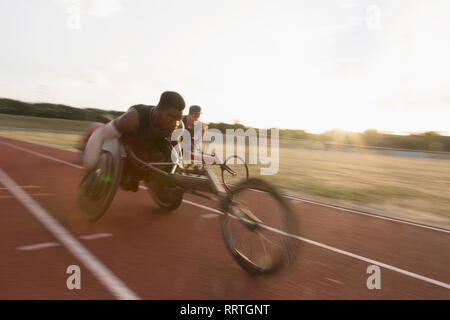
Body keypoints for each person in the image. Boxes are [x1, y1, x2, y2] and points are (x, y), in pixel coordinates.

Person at [82, 91, 186, 193]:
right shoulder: (132, 119)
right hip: (128, 141)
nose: (175, 123)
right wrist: (90, 165)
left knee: (168, 158)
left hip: (150, 145)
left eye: (178, 119)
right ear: (158, 110)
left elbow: (176, 152)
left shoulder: (176, 126)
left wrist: (180, 166)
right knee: (94, 161)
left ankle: (144, 178)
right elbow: (102, 133)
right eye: (170, 117)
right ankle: (105, 177)